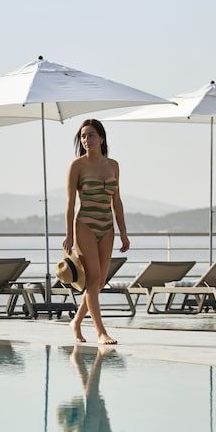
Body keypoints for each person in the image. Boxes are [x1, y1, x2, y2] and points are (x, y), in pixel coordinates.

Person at [62, 119, 129, 345]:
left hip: (107, 227)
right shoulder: (77, 166)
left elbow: (116, 201)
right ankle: (100, 331)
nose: (86, 140)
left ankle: (76, 321)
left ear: (101, 138)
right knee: (93, 279)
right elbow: (70, 203)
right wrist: (69, 235)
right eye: (83, 136)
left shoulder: (113, 165)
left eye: (90, 135)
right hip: (85, 226)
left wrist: (123, 232)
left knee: (99, 282)